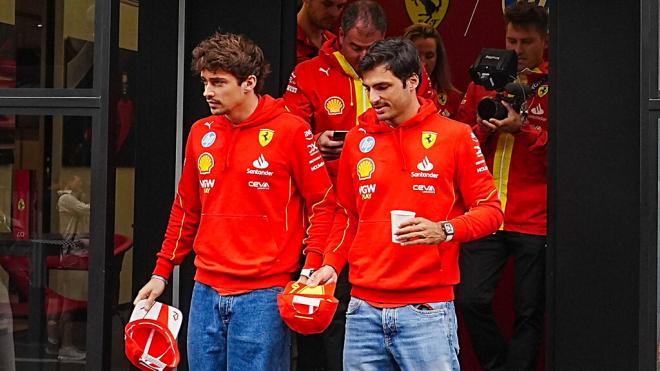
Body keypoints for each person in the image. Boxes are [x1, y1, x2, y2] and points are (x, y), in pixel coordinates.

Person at [133, 32, 336, 370]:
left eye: (217, 82)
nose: (207, 92)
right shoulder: (201, 131)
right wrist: (161, 273)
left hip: (265, 294)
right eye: (204, 81)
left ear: (249, 82)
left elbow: (323, 204)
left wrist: (311, 266)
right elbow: (186, 208)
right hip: (206, 289)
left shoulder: (291, 130)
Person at [307, 37, 503, 371]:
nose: (374, 98)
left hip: (426, 310)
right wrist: (330, 264)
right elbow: (347, 214)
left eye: (383, 87)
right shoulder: (358, 139)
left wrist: (443, 230)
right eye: (368, 88)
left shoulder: (454, 136)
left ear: (413, 81)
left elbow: (491, 211)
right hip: (362, 308)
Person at [455, 3, 549, 370]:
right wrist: (484, 129)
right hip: (488, 212)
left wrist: (521, 130)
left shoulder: (556, 83)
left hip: (534, 216)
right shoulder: (483, 79)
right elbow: (459, 143)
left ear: (545, 41)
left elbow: (569, 155)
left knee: (529, 311)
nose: (518, 49)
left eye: (527, 41)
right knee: (470, 299)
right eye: (512, 40)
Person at [404, 22, 462, 118]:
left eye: (429, 56)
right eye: (417, 56)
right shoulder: (394, 94)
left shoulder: (452, 97)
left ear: (438, 58)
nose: (423, 63)